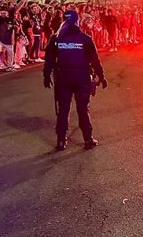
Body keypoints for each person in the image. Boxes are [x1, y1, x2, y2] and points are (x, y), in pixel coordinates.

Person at [43, 10, 107, 151]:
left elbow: (49, 60)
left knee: (63, 110)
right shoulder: (85, 38)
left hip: (63, 79)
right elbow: (95, 60)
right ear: (77, 21)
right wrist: (101, 76)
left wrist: (46, 76)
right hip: (81, 78)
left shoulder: (56, 38)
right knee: (83, 110)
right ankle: (88, 139)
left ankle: (61, 141)